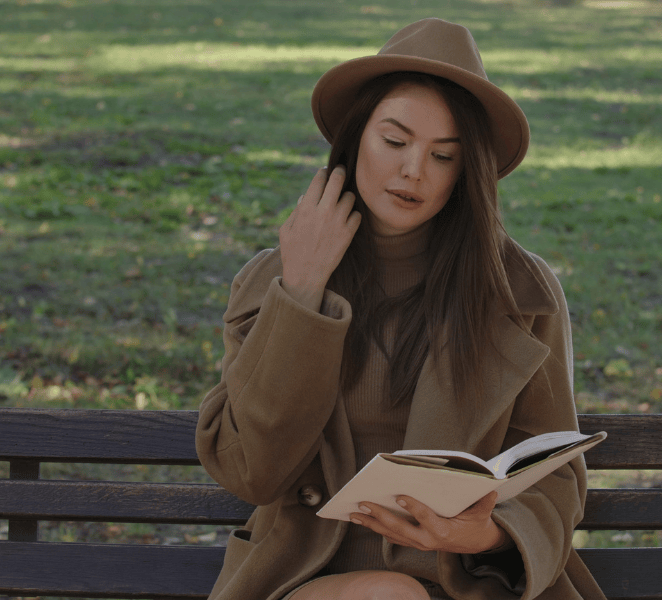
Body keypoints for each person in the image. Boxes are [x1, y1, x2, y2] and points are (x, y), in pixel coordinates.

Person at [196, 18, 606, 600]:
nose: (414, 169)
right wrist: (303, 291)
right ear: (355, 138)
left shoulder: (519, 290)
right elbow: (251, 472)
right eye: (394, 142)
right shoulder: (274, 279)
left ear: (469, 172)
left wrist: (486, 534)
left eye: (443, 155)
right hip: (312, 579)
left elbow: (555, 473)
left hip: (467, 583)